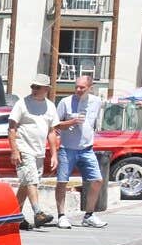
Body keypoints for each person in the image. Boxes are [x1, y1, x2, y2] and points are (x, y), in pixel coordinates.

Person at [53, 74, 107, 228]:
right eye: (76, 86)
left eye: (82, 87)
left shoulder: (96, 102)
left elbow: (94, 124)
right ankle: (61, 215)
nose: (78, 89)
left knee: (97, 180)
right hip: (67, 148)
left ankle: (89, 215)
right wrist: (71, 122)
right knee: (62, 182)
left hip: (87, 149)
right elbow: (55, 125)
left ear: (90, 88)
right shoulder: (65, 102)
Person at [6, 76, 57, 229]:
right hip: (24, 149)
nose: (34, 89)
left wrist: (54, 154)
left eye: (38, 87)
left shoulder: (50, 106)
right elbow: (11, 128)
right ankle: (38, 212)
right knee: (31, 181)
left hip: (39, 152)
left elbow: (52, 131)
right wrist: (14, 150)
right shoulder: (22, 103)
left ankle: (15, 218)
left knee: (26, 184)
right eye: (33, 86)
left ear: (46, 89)